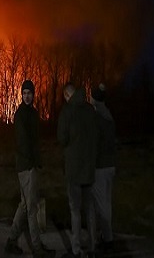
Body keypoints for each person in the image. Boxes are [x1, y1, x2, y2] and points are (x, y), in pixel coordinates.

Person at [5, 80, 55, 257]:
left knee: (25, 206)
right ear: (21, 95)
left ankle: (11, 241)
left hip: (30, 165)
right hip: (27, 167)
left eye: (29, 93)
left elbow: (35, 140)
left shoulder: (33, 113)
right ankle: (37, 249)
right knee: (32, 207)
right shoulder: (20, 115)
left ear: (33, 95)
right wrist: (33, 163)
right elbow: (24, 142)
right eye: (24, 93)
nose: (27, 96)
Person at [57, 82, 98, 258]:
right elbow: (97, 136)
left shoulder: (67, 111)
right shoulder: (90, 110)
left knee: (75, 210)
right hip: (89, 169)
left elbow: (61, 138)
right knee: (89, 209)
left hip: (74, 170)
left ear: (67, 95)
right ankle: (93, 246)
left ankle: (76, 249)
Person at [90, 83, 116, 252]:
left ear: (94, 98)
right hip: (111, 166)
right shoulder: (109, 116)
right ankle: (105, 236)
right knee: (106, 202)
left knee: (101, 206)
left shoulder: (97, 117)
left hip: (100, 167)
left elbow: (93, 143)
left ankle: (108, 240)